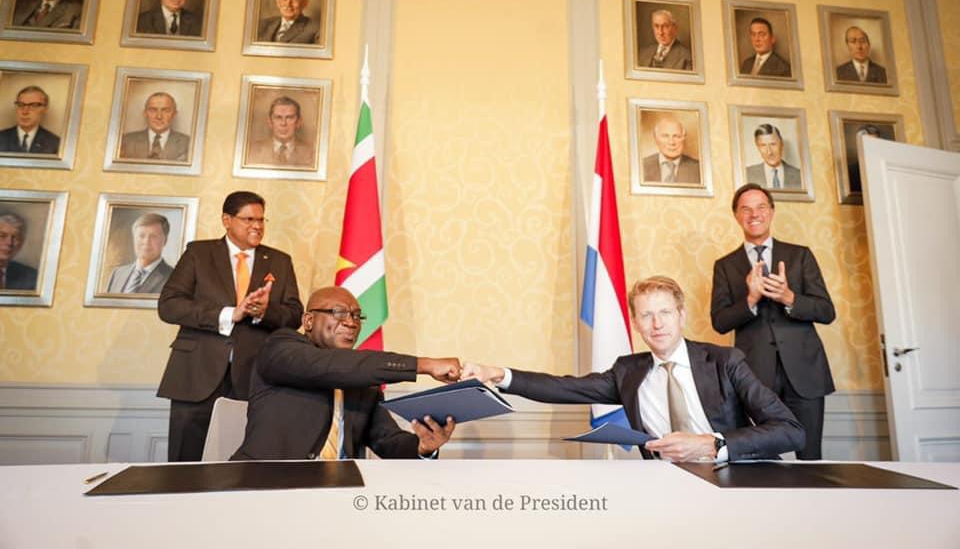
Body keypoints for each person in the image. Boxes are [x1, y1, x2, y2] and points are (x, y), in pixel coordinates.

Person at [464, 275, 804, 462]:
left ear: (681, 315)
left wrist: (711, 444)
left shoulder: (724, 361)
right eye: (646, 316)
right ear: (636, 324)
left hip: (735, 483)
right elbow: (564, 387)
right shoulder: (628, 372)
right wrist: (498, 374)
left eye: (665, 313)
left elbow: (790, 430)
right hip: (664, 489)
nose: (657, 324)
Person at [233, 286, 460, 460]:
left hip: (339, 491)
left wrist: (423, 447)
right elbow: (328, 366)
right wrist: (424, 365)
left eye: (357, 316)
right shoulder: (279, 347)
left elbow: (387, 440)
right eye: (339, 313)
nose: (351, 323)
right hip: (267, 485)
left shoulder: (363, 380)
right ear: (309, 321)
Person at [157, 191, 303, 462]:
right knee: (184, 464)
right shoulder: (198, 253)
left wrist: (264, 312)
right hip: (196, 374)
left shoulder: (280, 261)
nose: (257, 226)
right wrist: (228, 314)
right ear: (227, 220)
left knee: (240, 463)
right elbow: (169, 305)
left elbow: (295, 315)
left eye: (261, 220)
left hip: (254, 377)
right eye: (249, 219)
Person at [711, 184, 835, 460]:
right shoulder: (725, 266)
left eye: (761, 207)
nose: (754, 214)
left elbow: (827, 311)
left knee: (810, 458)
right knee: (761, 459)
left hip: (805, 372)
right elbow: (719, 321)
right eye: (746, 209)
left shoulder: (800, 255)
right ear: (736, 216)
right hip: (754, 376)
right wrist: (750, 299)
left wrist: (790, 297)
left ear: (772, 211)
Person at [106, 213, 175, 294]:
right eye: (141, 236)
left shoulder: (174, 278)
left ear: (165, 240)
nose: (146, 242)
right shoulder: (118, 273)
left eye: (153, 236)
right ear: (134, 238)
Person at [118, 92, 190, 161]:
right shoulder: (126, 141)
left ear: (174, 114)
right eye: (153, 110)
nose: (159, 116)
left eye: (165, 110)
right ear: (145, 113)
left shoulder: (188, 143)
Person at [246, 96, 314, 166]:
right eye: (278, 117)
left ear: (299, 122)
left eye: (289, 117)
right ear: (270, 122)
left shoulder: (312, 153)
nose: (283, 123)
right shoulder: (252, 150)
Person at [0, 86, 61, 155]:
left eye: (33, 105)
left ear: (45, 109)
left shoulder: (55, 143)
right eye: (21, 105)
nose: (25, 112)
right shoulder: (1, 137)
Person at [641, 116, 700, 184]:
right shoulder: (642, 166)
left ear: (683, 138)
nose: (671, 142)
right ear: (656, 139)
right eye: (665, 136)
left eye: (676, 136)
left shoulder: (698, 168)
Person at [745, 124, 801, 189]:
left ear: (782, 144)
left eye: (773, 144)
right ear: (758, 147)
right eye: (763, 145)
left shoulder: (799, 175)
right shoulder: (747, 174)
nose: (769, 152)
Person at [0, 212, 38, 291]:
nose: (9, 243)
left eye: (16, 238)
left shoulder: (32, 277)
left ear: (21, 243)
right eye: (2, 236)